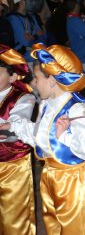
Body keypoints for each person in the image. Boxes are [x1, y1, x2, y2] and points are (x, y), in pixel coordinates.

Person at [0, 43, 85, 235]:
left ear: (52, 80)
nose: (33, 83)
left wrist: (65, 136)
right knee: (54, 229)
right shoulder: (48, 105)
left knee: (75, 230)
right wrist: (13, 126)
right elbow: (40, 135)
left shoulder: (75, 109)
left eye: (37, 78)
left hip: (72, 181)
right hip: (50, 176)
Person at [0, 44, 36, 235]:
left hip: (12, 165)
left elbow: (18, 120)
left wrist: (8, 126)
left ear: (13, 76)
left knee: (15, 214)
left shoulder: (23, 97)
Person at [7, 0, 47, 64]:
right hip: (22, 62)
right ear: (21, 1)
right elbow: (25, 42)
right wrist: (37, 37)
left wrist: (33, 38)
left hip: (34, 59)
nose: (32, 2)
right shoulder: (13, 19)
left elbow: (44, 38)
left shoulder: (31, 17)